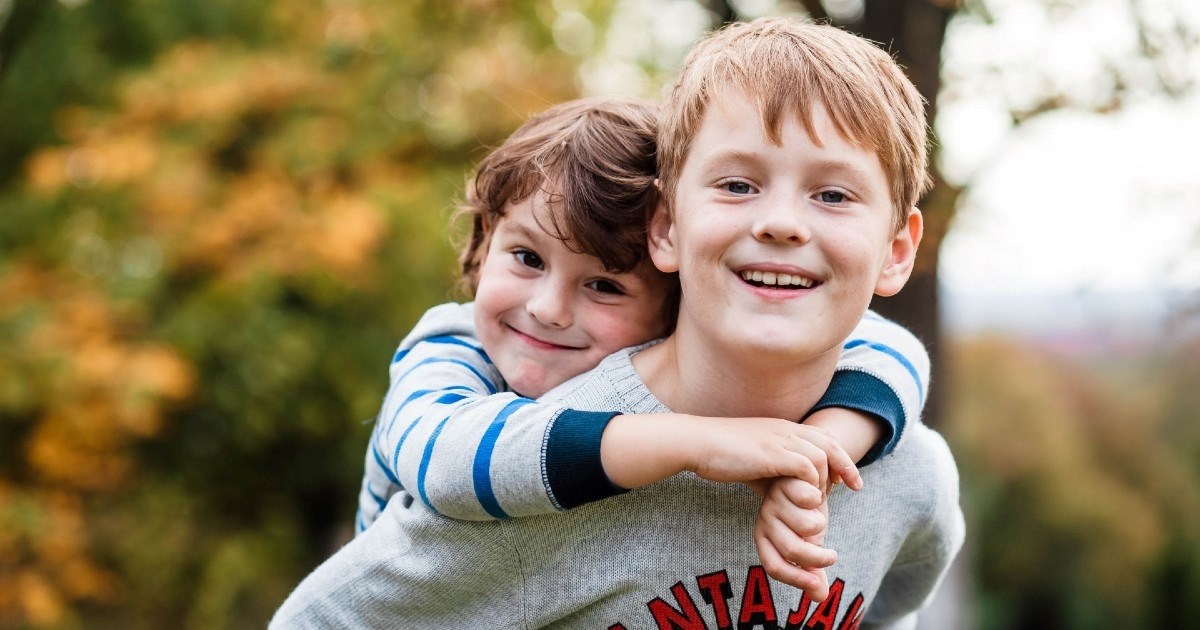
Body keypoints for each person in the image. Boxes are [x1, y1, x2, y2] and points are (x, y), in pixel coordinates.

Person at [271, 17, 962, 628]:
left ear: (897, 252)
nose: (780, 222)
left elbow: (889, 595)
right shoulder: (538, 485)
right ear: (666, 226)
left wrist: (821, 450)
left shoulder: (910, 474)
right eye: (737, 184)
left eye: (833, 194)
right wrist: (693, 445)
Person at [356, 97, 929, 595]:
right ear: (483, 246)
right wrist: (694, 441)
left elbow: (892, 350)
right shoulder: (449, 347)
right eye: (527, 258)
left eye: (604, 286)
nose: (546, 309)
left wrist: (815, 456)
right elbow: (444, 465)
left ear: (675, 305)